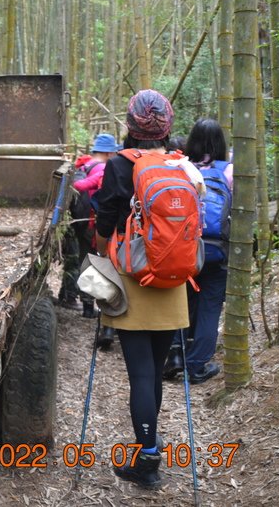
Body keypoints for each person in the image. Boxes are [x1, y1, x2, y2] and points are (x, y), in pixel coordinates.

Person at [94, 89, 189, 489]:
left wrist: (103, 257)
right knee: (154, 369)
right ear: (167, 127)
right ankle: (149, 441)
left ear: (129, 126)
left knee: (140, 374)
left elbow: (103, 222)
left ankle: (147, 459)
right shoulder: (179, 164)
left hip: (133, 279)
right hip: (173, 280)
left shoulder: (119, 164)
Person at [164, 118, 233, 384]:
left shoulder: (181, 169)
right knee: (210, 307)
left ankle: (175, 356)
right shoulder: (229, 171)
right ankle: (196, 366)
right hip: (217, 252)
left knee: (180, 301)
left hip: (185, 249)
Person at [58, 134, 119, 320]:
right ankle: (98, 304)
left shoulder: (84, 165)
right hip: (96, 224)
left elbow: (75, 185)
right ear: (108, 152)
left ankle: (87, 305)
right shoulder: (103, 169)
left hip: (82, 221)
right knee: (100, 263)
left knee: (86, 261)